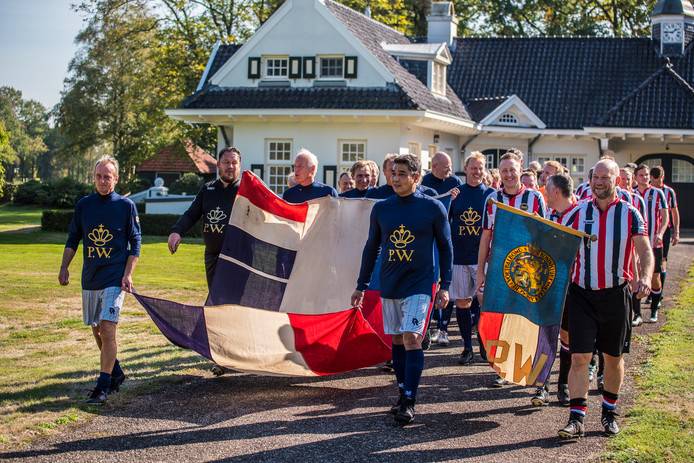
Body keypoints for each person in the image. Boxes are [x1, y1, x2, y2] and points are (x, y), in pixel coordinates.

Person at [351, 154, 453, 425]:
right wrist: (361, 285)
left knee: (412, 338)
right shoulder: (382, 209)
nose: (395, 178)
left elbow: (445, 247)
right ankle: (401, 391)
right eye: (393, 173)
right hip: (390, 283)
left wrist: (446, 285)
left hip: (420, 284)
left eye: (402, 174)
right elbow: (371, 248)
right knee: (396, 340)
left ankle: (410, 399)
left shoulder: (432, 208)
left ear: (416, 177)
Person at [558, 159, 653, 439]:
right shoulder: (576, 212)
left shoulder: (630, 213)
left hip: (615, 295)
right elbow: (557, 245)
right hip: (582, 295)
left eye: (605, 177)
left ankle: (609, 412)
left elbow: (645, 251)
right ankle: (576, 418)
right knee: (580, 358)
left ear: (617, 181)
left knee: (613, 358)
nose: (599, 182)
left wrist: (645, 276)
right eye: (595, 177)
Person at [59, 155, 141, 405]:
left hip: (115, 277)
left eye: (108, 176)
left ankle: (102, 387)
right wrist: (64, 267)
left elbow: (136, 242)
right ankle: (115, 373)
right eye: (99, 176)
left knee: (107, 327)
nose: (103, 180)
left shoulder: (126, 206)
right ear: (93, 178)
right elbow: (74, 238)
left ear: (116, 179)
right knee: (97, 329)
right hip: (90, 278)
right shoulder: (84, 205)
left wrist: (128, 274)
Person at [476, 150, 547, 388]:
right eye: (504, 170)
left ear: (520, 170)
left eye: (512, 170)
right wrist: (480, 271)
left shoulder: (535, 198)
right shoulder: (492, 200)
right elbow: (486, 236)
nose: (508, 174)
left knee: (526, 320)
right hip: (498, 270)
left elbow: (544, 235)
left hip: (527, 270)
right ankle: (504, 368)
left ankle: (528, 367)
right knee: (502, 319)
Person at [168, 147, 242, 288]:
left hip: (238, 259)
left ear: (239, 165)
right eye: (226, 162)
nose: (230, 166)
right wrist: (176, 231)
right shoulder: (208, 189)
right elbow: (191, 214)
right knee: (214, 302)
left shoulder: (247, 192)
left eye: (234, 162)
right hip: (212, 257)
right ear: (218, 164)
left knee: (234, 304)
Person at [448, 152, 494, 363]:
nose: (476, 171)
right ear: (465, 169)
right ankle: (467, 347)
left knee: (486, 304)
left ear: (485, 170)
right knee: (463, 303)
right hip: (460, 257)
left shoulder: (492, 195)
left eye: (480, 168)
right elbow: (447, 225)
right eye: (473, 167)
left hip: (483, 260)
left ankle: (485, 343)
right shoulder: (456, 194)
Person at [538, 173, 578, 407]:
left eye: (546, 190)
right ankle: (542, 384)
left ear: (555, 192)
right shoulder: (549, 214)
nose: (544, 194)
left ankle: (562, 383)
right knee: (545, 333)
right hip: (550, 283)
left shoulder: (581, 214)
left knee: (566, 335)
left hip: (573, 286)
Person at [634, 164, 669, 322]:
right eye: (641, 175)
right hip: (636, 243)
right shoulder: (631, 194)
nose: (645, 177)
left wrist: (661, 234)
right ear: (635, 177)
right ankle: (637, 314)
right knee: (635, 276)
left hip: (654, 243)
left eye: (647, 175)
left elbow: (665, 216)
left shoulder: (658, 193)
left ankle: (654, 310)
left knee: (654, 277)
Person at [619, 167, 648, 327]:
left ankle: (637, 313)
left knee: (635, 279)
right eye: (622, 178)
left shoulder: (637, 199)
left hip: (633, 244)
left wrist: (637, 251)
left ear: (633, 180)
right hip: (617, 246)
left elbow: (643, 225)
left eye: (628, 178)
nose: (625, 181)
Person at [649, 166, 680, 304]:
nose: (657, 181)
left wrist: (676, 231)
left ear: (663, 176)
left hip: (664, 230)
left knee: (661, 262)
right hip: (648, 229)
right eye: (655, 178)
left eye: (660, 178)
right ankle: (651, 290)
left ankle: (658, 293)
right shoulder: (646, 191)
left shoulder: (668, 192)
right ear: (651, 177)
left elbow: (674, 211)